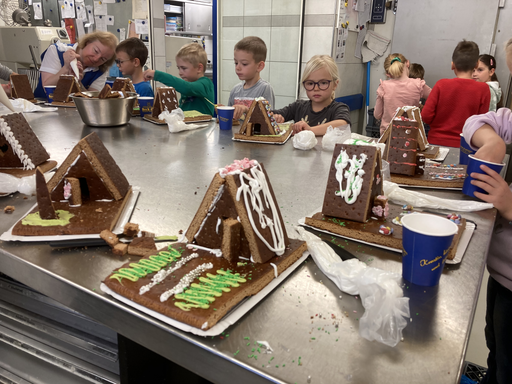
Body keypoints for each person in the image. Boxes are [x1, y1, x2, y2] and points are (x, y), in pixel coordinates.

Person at [461, 38, 512, 384]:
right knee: (496, 344)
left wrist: (510, 205)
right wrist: (491, 139)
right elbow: (474, 123)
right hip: (502, 272)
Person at [421, 40, 490, 147]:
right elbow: (480, 123)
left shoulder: (441, 85)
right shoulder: (483, 89)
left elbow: (425, 116)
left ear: (452, 65)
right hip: (465, 146)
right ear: (476, 64)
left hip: (436, 143)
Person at [272, 55, 350, 136]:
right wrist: (275, 117)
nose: (316, 88)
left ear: (335, 84)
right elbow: (269, 115)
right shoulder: (298, 107)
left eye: (323, 83)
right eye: (310, 83)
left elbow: (343, 124)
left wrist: (310, 130)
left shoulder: (338, 108)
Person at [34, 31, 118, 98]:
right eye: (96, 51)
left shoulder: (101, 70)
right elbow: (47, 86)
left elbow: (93, 99)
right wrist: (66, 68)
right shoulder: (57, 51)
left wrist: (79, 83)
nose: (96, 59)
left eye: (103, 59)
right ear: (87, 42)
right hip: (43, 108)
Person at [143, 43, 214, 116]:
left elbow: (187, 87)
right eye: (178, 68)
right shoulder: (187, 86)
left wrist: (158, 75)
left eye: (184, 68)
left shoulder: (206, 84)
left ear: (199, 68)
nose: (180, 73)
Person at [374, 53, 431, 135]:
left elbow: (377, 115)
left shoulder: (383, 87)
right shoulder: (418, 85)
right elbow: (436, 98)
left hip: (388, 136)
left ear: (388, 73)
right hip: (410, 136)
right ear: (407, 63)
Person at [228, 36, 275, 120]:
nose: (238, 68)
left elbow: (268, 120)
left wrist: (246, 110)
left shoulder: (264, 88)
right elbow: (229, 119)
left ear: (259, 66)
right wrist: (222, 111)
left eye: (244, 64)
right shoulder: (235, 90)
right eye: (236, 63)